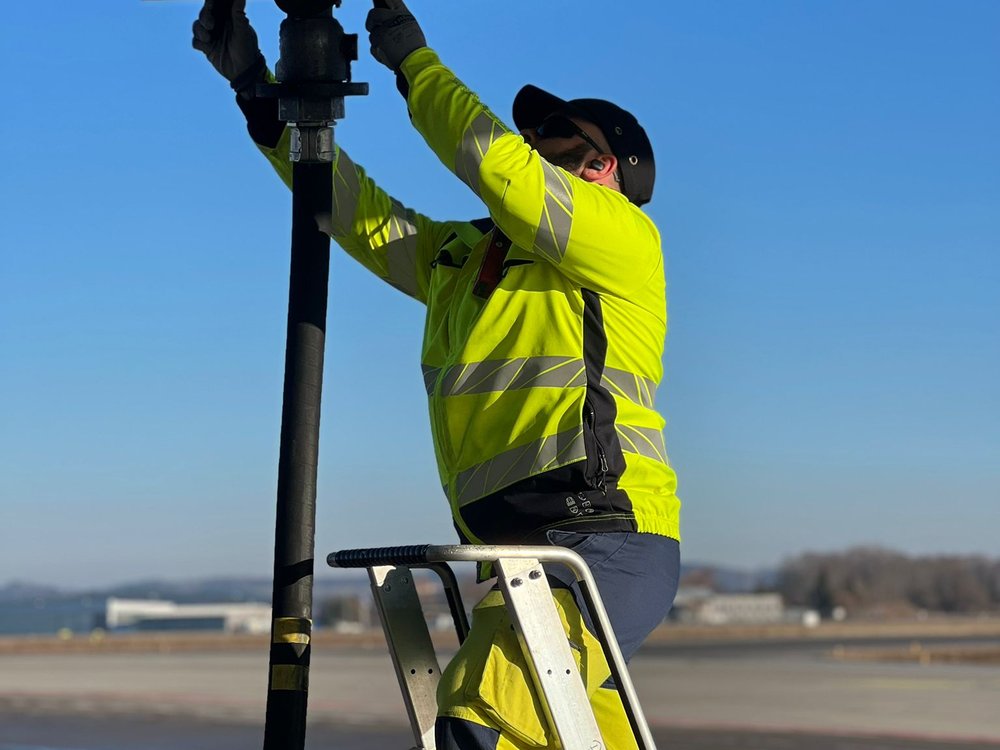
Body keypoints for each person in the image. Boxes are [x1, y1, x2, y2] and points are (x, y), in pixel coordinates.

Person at [194, 1, 681, 747]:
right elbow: (354, 213)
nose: (530, 139)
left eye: (552, 134)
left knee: (474, 719)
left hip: (601, 540)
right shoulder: (468, 258)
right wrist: (260, 97)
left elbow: (493, 161)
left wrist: (414, 64)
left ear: (600, 166)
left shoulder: (619, 238)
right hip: (516, 556)